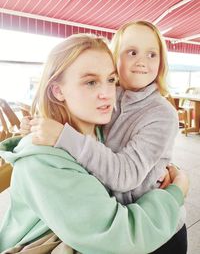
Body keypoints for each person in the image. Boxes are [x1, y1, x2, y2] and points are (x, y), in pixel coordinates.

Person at [0, 34, 189, 254]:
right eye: (91, 82)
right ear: (57, 91)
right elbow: (122, 236)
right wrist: (176, 191)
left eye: (111, 80)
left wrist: (168, 169)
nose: (107, 94)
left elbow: (129, 157)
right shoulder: (42, 162)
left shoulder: (99, 131)